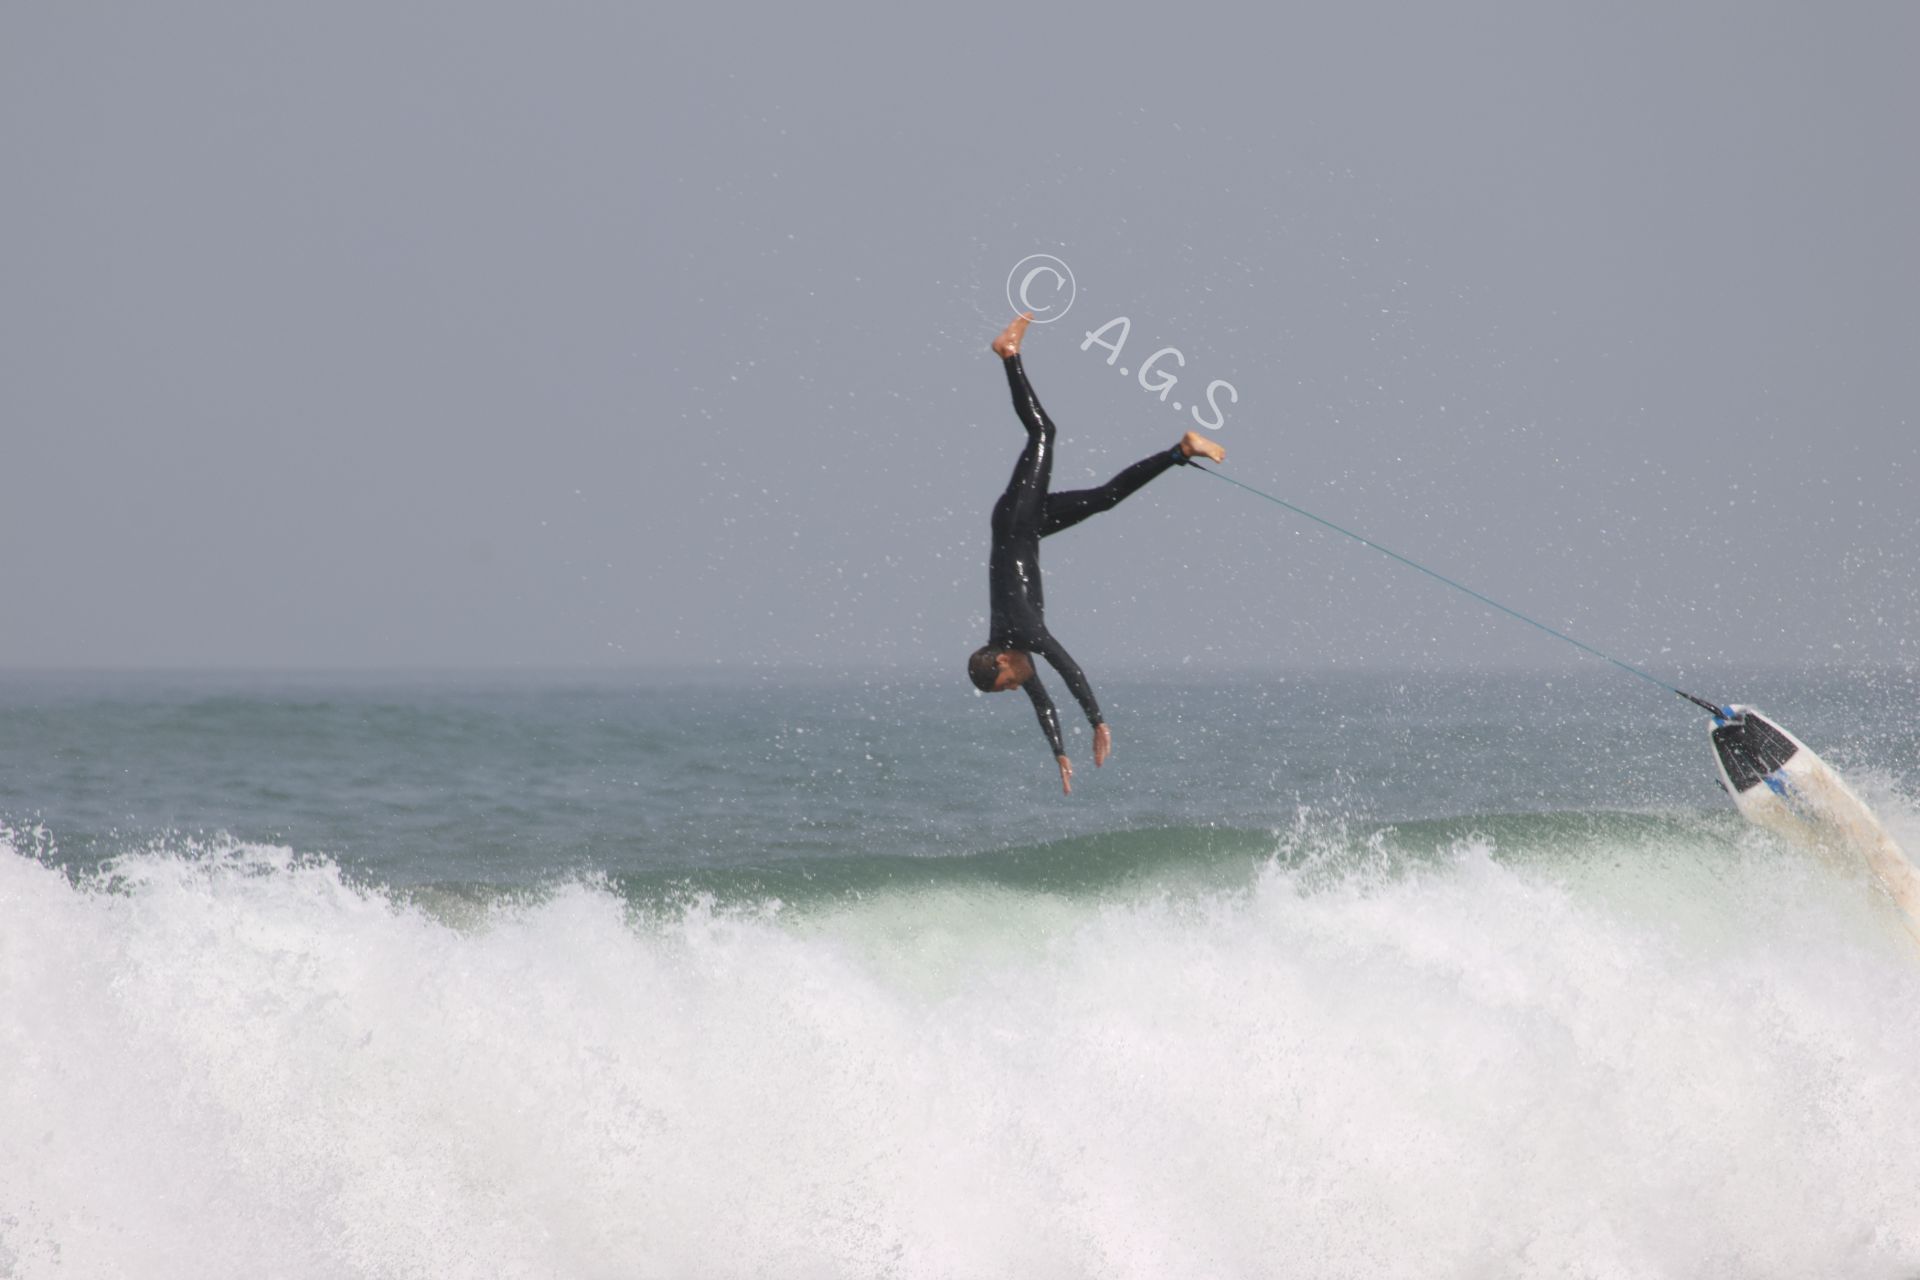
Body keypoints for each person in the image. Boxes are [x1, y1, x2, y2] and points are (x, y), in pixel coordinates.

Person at [968, 312, 1224, 794]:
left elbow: (1069, 670)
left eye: (1008, 683)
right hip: (1024, 528)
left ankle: (1009, 354)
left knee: (1044, 433)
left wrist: (1098, 722)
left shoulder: (1022, 631)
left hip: (1017, 520)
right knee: (1106, 498)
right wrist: (1060, 752)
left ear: (1001, 662)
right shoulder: (1008, 643)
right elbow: (1043, 699)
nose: (1019, 685)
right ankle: (1182, 450)